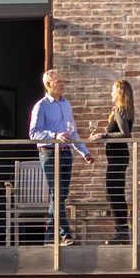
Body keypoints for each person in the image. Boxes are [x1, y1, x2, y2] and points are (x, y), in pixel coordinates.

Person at [28, 68, 90, 243]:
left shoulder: (66, 104)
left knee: (61, 195)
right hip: (49, 153)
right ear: (49, 85)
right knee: (57, 192)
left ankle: (49, 237)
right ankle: (65, 234)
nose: (62, 84)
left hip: (66, 153)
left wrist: (85, 153)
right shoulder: (41, 106)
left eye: (63, 81)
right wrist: (54, 136)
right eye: (58, 82)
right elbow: (33, 134)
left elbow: (73, 133)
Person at [95, 78, 135, 241]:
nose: (110, 93)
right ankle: (122, 230)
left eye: (113, 90)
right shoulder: (125, 110)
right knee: (117, 192)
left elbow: (125, 134)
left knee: (113, 192)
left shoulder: (120, 109)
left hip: (118, 157)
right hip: (119, 157)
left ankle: (121, 231)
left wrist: (104, 135)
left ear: (119, 92)